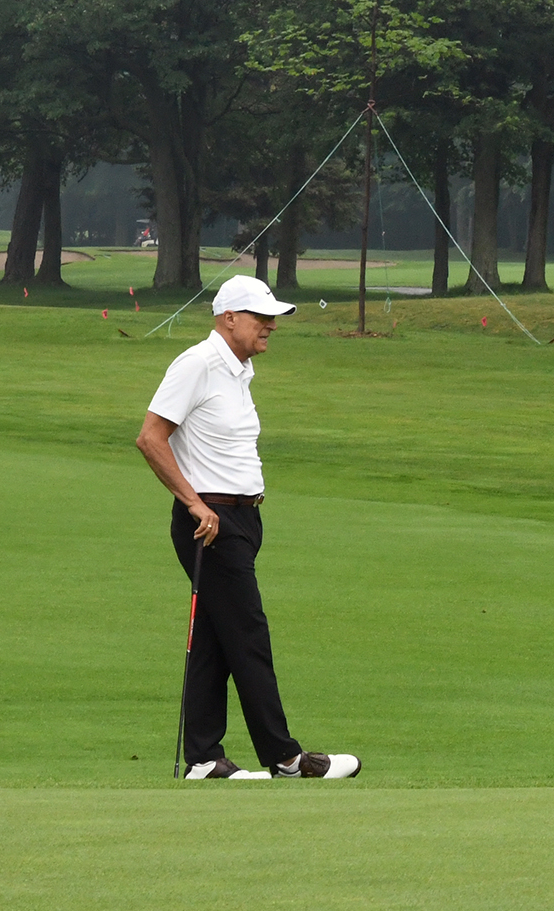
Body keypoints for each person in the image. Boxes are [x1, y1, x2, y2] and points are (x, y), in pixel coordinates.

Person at [135, 275, 360, 780]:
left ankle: (203, 758)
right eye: (261, 317)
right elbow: (151, 438)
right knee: (249, 635)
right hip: (210, 524)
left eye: (272, 317)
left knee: (216, 638)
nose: (271, 326)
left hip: (242, 518)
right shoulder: (197, 362)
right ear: (228, 318)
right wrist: (193, 504)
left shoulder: (240, 369)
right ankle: (285, 757)